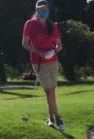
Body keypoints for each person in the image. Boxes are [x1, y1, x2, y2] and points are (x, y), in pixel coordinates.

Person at [22, 0, 64, 131]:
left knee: (51, 91)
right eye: (41, 9)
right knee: (49, 90)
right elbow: (25, 43)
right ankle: (58, 118)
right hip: (38, 61)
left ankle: (50, 118)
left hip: (53, 61)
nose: (44, 11)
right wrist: (39, 52)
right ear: (36, 10)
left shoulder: (53, 26)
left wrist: (53, 51)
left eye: (46, 9)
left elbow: (59, 45)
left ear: (48, 10)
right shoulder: (30, 24)